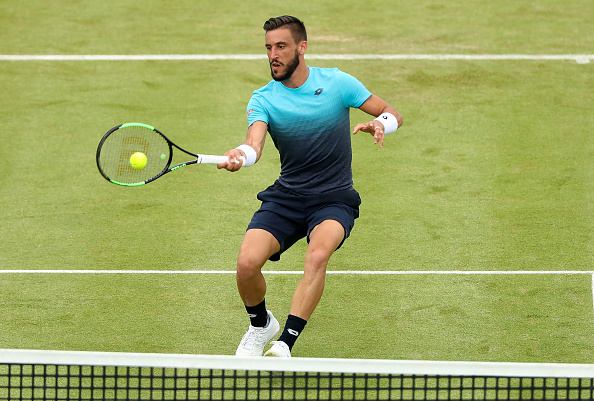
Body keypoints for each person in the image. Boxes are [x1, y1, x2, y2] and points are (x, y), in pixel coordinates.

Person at [218, 15, 403, 358]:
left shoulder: (337, 83)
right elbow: (254, 145)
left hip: (334, 198)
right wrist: (240, 156)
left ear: (302, 47)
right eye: (269, 48)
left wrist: (381, 123)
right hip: (287, 196)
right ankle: (261, 326)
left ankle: (284, 343)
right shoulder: (263, 98)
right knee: (246, 264)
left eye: (281, 46)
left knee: (317, 255)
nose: (273, 54)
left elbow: (391, 111)